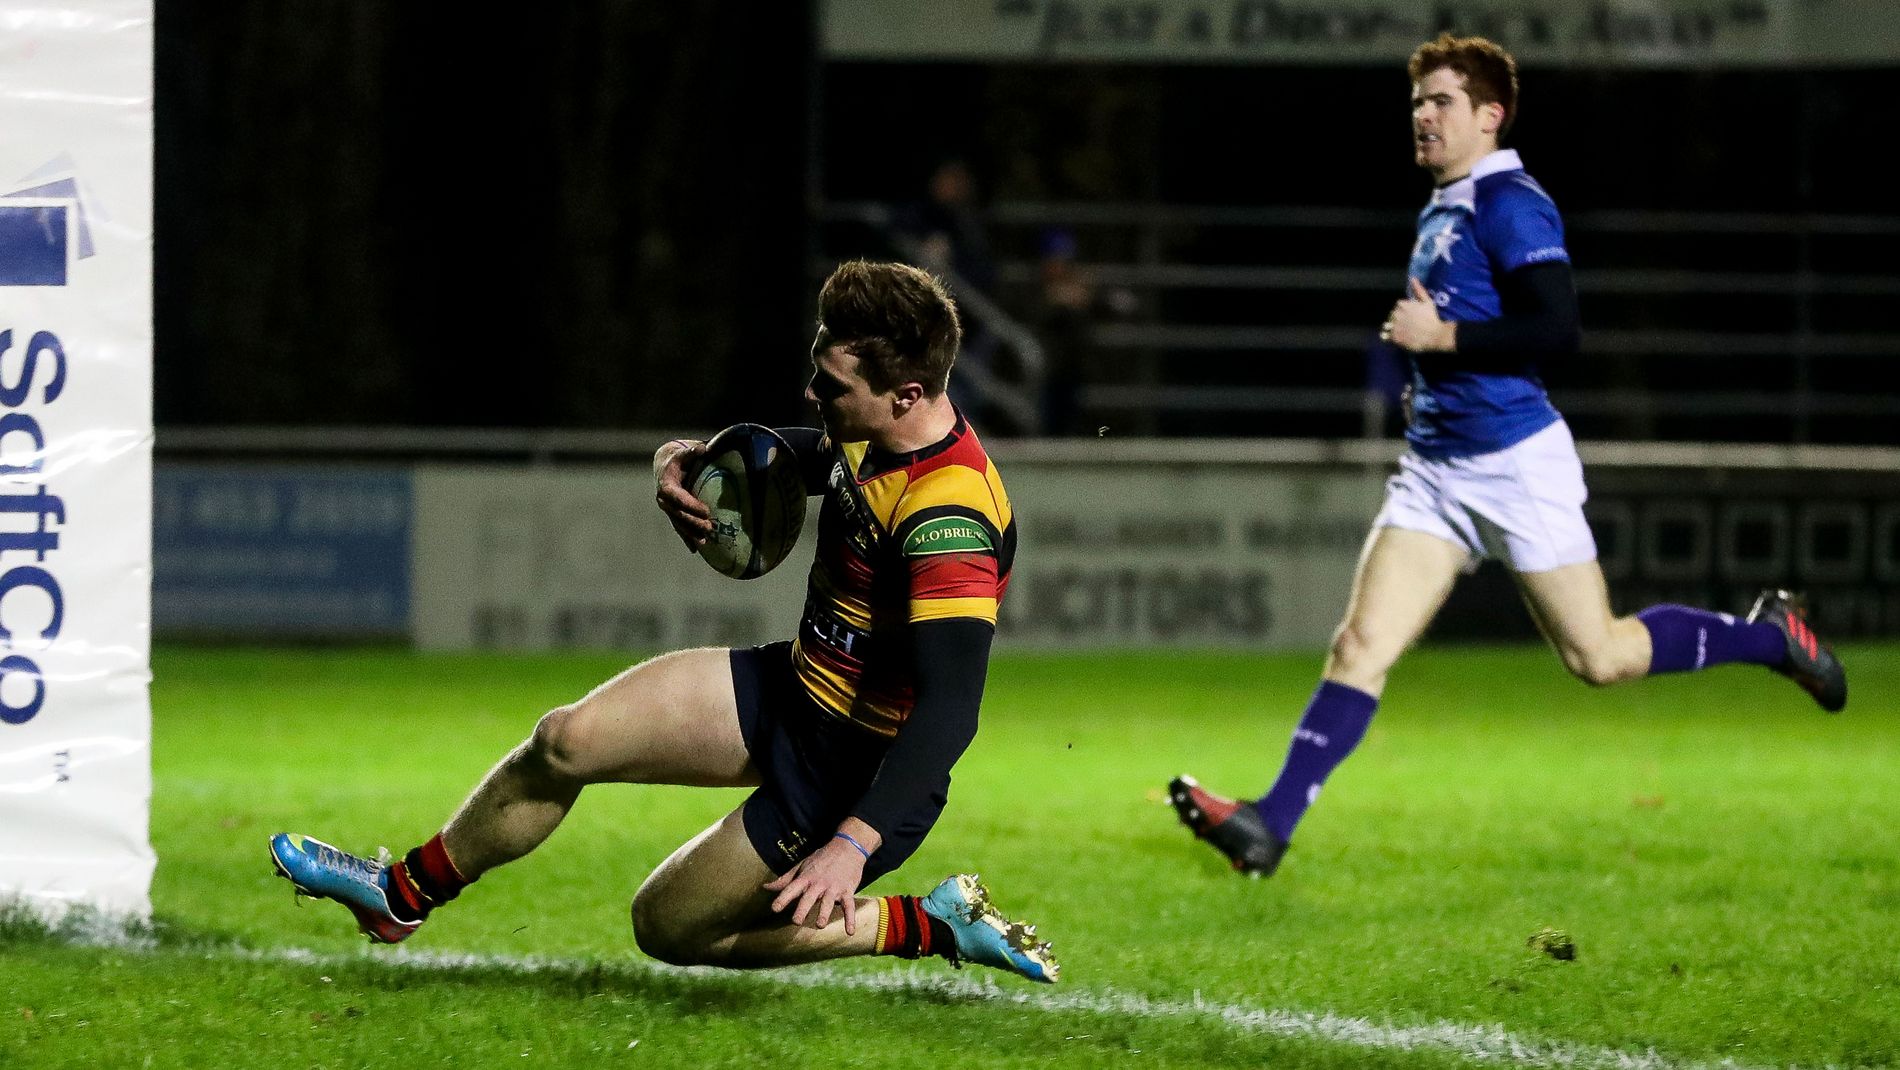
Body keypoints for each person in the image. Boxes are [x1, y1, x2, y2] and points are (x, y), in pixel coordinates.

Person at [1168, 33, 1849, 878]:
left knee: (1598, 657)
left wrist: (1441, 338)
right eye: (1417, 102)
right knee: (1360, 645)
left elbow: (1557, 327)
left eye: (1442, 101)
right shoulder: (1445, 203)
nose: (1423, 115)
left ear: (1490, 115)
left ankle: (1771, 639)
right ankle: (1271, 824)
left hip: (1513, 464)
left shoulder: (1511, 203)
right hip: (1435, 473)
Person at [270, 261, 1057, 983]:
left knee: (669, 925)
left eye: (832, 384)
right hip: (793, 688)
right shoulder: (873, 433)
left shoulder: (949, 519)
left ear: (907, 394)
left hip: (854, 770)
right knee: (565, 740)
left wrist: (853, 844)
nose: (813, 393)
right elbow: (806, 456)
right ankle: (401, 893)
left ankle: (929, 923)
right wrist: (692, 460)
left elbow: (952, 709)